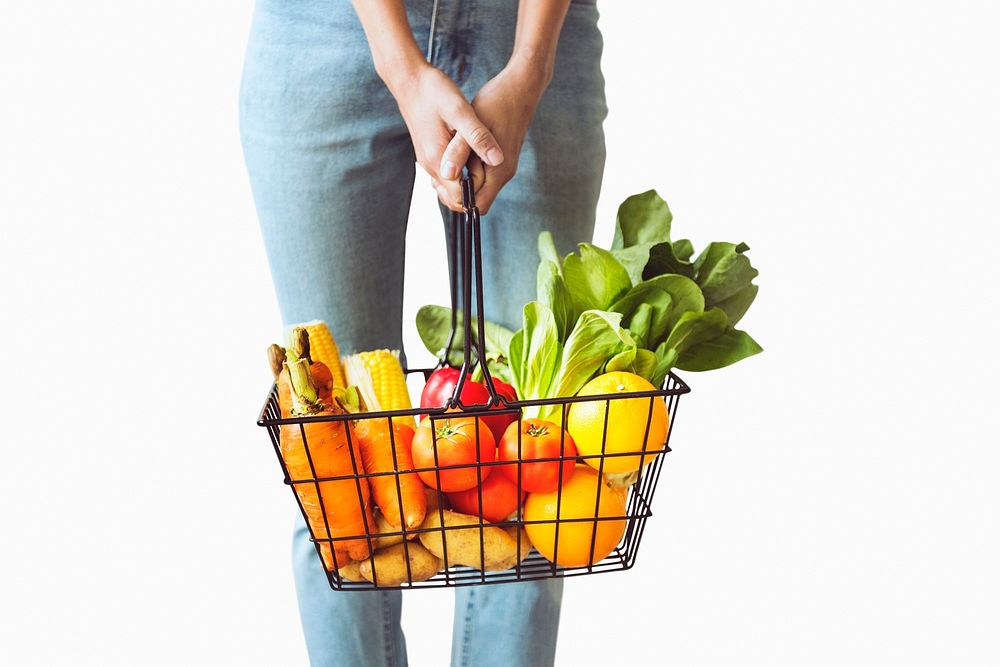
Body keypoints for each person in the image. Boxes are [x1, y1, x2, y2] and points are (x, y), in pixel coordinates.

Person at [240, 0, 606, 664]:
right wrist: (397, 62)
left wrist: (530, 64)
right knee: (334, 470)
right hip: (326, 27)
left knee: (537, 469)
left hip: (528, 25)